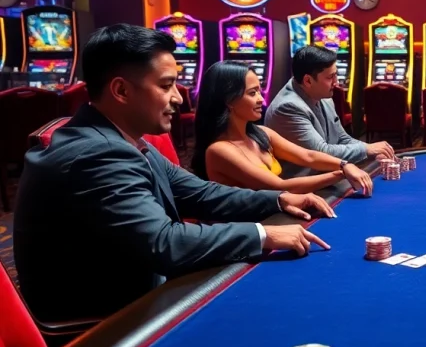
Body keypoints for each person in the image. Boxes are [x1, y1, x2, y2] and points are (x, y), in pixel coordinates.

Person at [13, 24, 333, 323]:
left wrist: (279, 199)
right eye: (167, 86)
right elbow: (164, 243)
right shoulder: (97, 153)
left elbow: (199, 193)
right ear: (121, 90)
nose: (179, 99)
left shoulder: (121, 138)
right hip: (105, 324)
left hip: (139, 289)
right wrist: (264, 235)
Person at [192, 61, 373, 195]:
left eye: (259, 91)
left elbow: (308, 156)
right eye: (252, 93)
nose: (261, 99)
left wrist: (344, 164)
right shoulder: (219, 151)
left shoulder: (262, 134)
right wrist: (341, 173)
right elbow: (280, 187)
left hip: (275, 214)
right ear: (229, 100)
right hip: (250, 231)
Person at [265, 45, 395, 177]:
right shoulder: (288, 108)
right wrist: (366, 149)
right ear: (308, 80)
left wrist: (373, 152)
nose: (336, 82)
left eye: (336, 74)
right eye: (330, 77)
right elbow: (321, 153)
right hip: (301, 187)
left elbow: (341, 138)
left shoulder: (324, 97)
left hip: (328, 176)